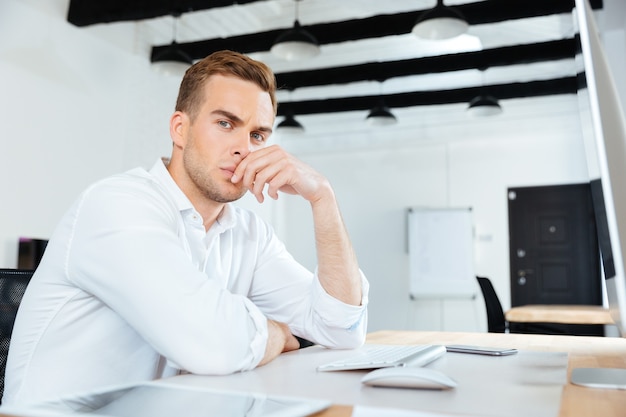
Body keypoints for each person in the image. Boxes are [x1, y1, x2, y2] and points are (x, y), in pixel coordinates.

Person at [3, 50, 369, 406]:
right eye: (225, 123)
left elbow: (342, 329)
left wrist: (323, 198)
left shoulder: (248, 233)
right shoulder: (116, 204)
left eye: (258, 135)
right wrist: (278, 333)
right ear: (180, 128)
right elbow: (213, 345)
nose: (244, 147)